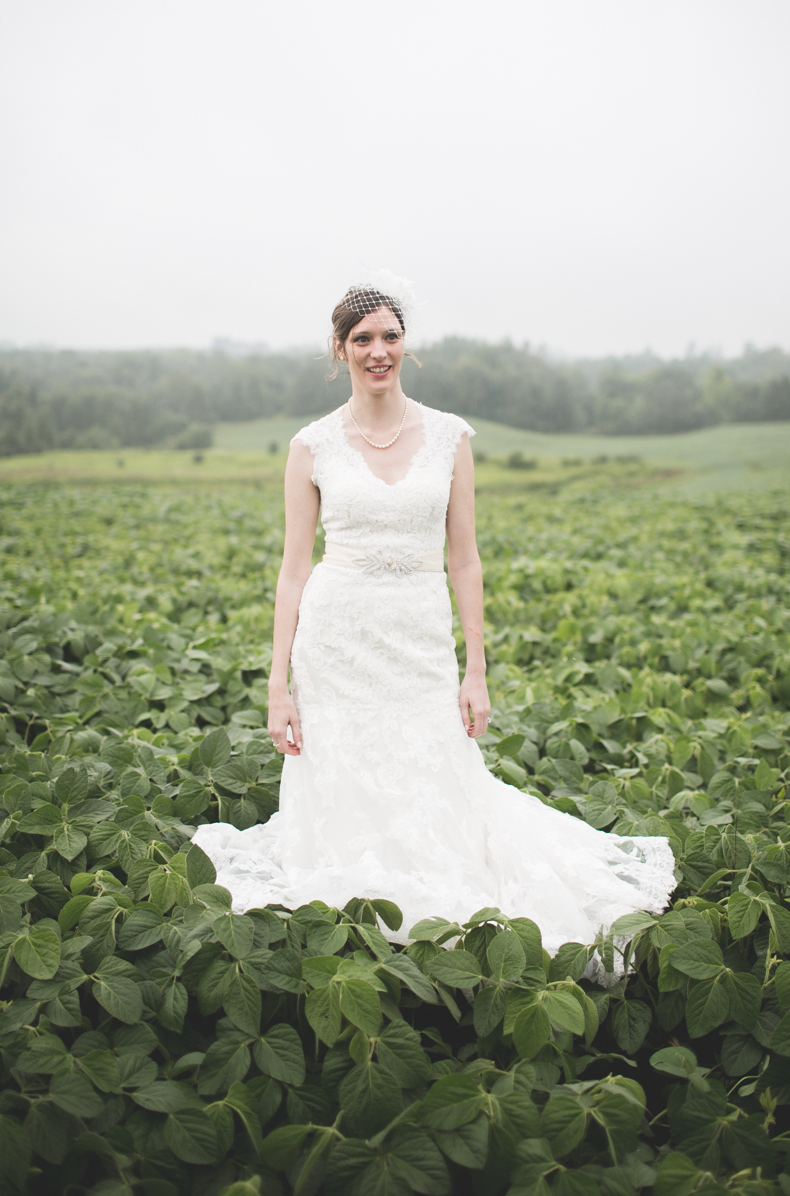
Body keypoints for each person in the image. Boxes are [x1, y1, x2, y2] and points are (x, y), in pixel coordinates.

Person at [194, 274, 676, 962]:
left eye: (391, 336)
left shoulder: (450, 438)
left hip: (420, 637)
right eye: (362, 339)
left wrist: (476, 668)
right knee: (346, 781)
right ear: (339, 350)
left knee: (435, 771)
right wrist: (279, 684)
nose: (378, 350)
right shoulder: (312, 446)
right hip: (337, 640)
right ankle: (353, 910)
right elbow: (294, 569)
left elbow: (466, 560)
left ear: (405, 347)